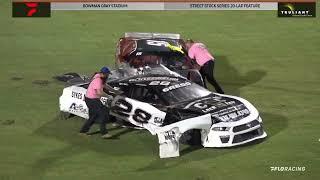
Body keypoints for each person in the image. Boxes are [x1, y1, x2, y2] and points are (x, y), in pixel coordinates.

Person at [79, 66, 122, 138]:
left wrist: (115, 91)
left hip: (90, 99)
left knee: (93, 116)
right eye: (107, 74)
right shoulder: (98, 80)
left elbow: (105, 86)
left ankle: (83, 131)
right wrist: (109, 96)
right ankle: (104, 133)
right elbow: (99, 93)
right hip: (92, 100)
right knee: (104, 113)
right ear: (104, 74)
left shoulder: (99, 77)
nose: (108, 75)